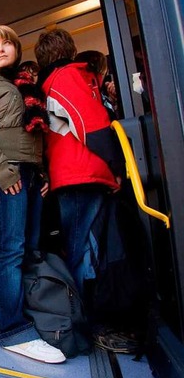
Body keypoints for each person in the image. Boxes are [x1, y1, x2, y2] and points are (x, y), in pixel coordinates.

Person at [0, 25, 65, 363]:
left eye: (7, 42)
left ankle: (26, 315)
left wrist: (41, 172)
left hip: (29, 172)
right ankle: (13, 330)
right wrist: (1, 170)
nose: (1, 48)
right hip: (5, 170)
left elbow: (34, 134)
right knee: (10, 248)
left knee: (30, 248)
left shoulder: (23, 84)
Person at [35, 29, 124, 297]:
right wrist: (116, 166)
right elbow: (91, 124)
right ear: (69, 49)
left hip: (70, 176)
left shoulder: (47, 83)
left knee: (78, 246)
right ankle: (87, 317)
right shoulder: (67, 77)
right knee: (84, 248)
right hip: (83, 173)